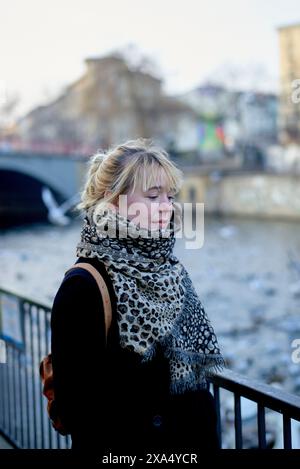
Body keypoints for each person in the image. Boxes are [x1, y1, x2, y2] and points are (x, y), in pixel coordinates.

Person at [50, 138, 225, 454]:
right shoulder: (85, 286)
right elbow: (77, 410)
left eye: (169, 196)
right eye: (153, 196)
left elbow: (195, 388)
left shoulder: (170, 271)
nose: (166, 207)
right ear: (113, 201)